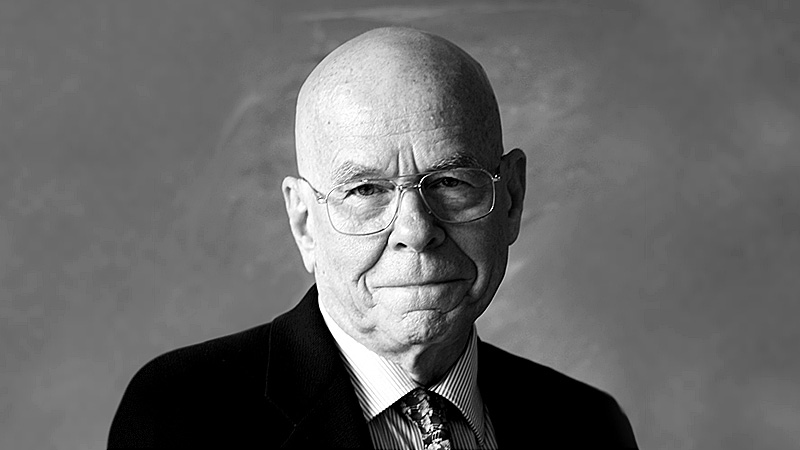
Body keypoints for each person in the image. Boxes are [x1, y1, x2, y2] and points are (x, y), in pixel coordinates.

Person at [108, 27, 638, 449]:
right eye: (366, 190)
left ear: (512, 198)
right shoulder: (179, 419)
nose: (416, 231)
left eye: (450, 182)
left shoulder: (588, 426)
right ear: (303, 221)